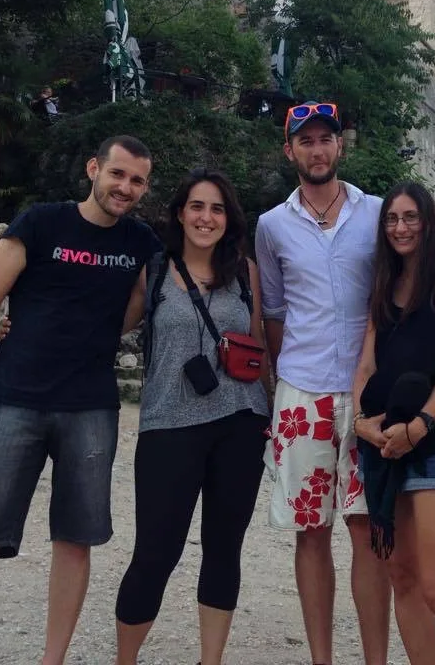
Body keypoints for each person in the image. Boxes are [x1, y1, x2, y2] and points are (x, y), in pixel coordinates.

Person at [255, 101, 435, 665]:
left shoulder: (376, 213)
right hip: (304, 389)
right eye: (305, 141)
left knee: (370, 532)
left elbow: (431, 274)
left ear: (341, 145)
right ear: (289, 150)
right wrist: (277, 382)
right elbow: (272, 310)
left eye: (326, 139)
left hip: (374, 395)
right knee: (310, 532)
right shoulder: (271, 226)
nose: (317, 150)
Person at [0, 135, 162, 665]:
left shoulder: (141, 241)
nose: (125, 187)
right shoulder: (40, 222)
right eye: (118, 174)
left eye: (137, 180)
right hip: (14, 397)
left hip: (91, 406)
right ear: (93, 170)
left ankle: (52, 660)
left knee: (75, 540)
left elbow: (138, 307)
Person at [114, 168, 271, 665]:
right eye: (198, 207)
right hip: (169, 426)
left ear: (229, 219)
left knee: (224, 550)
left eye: (217, 208)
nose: (206, 217)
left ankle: (211, 660)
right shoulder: (154, 271)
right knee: (155, 553)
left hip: (241, 422)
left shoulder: (245, 273)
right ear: (180, 213)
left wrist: (279, 414)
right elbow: (103, 326)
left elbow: (261, 344)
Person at [352, 181, 435, 664]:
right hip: (382, 444)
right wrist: (360, 422)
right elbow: (366, 363)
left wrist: (423, 423)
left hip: (433, 440)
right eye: (392, 219)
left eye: (410, 217)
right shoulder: (384, 283)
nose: (401, 227)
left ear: (428, 221)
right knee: (402, 580)